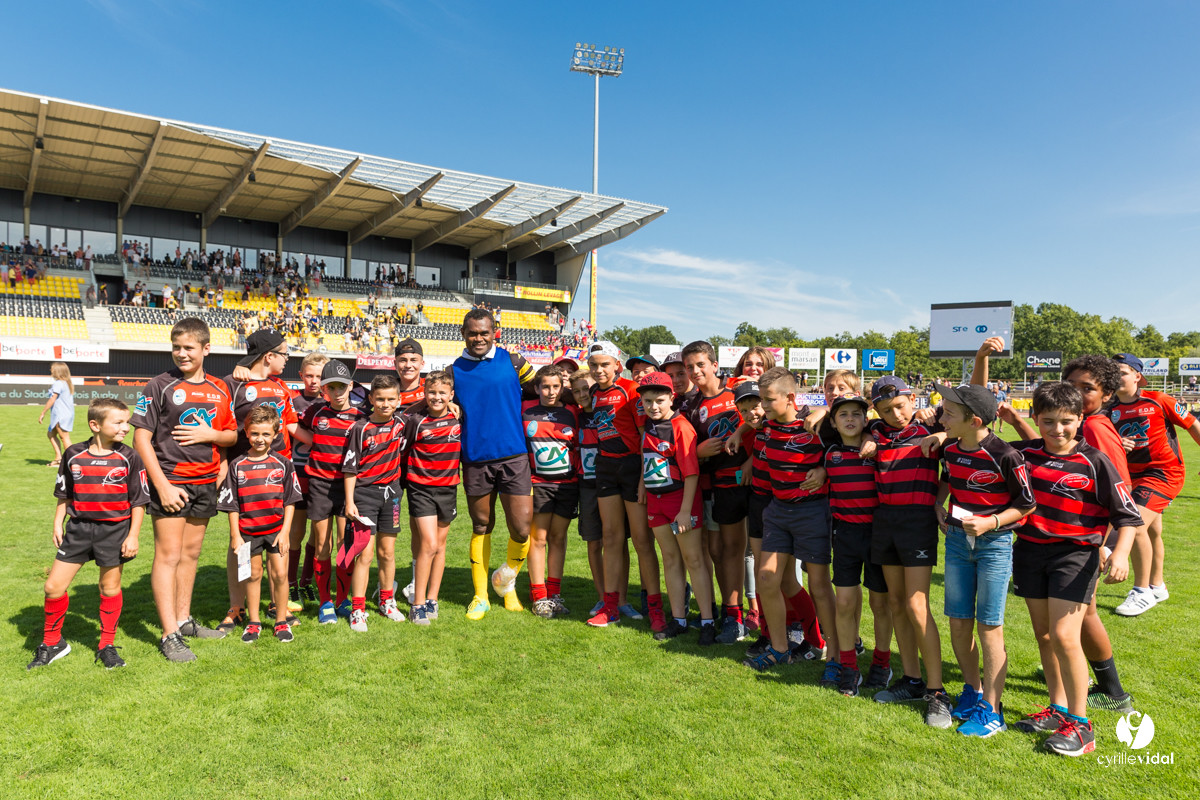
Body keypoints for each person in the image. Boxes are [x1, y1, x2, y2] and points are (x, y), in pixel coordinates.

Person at [1009, 382, 1142, 757]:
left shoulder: (1095, 462)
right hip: (1031, 552)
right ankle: (1058, 708)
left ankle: (1082, 726)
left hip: (1076, 556)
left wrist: (1119, 555)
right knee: (1044, 635)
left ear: (1080, 419)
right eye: (1048, 421)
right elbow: (980, 442)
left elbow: (1128, 517)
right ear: (1036, 419)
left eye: (1066, 421)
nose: (1057, 430)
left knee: (1066, 635)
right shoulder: (1025, 453)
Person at [132, 318, 237, 662]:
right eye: (176, 347)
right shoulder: (158, 386)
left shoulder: (221, 388)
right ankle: (168, 634)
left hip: (205, 482)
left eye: (188, 347)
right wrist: (161, 485)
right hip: (171, 482)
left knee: (191, 555)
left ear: (206, 349)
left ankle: (184, 619)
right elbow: (140, 439)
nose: (181, 353)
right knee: (169, 555)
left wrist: (211, 437)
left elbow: (231, 436)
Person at [933, 383, 1036, 737]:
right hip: (958, 544)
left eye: (947, 413)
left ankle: (993, 709)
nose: (940, 417)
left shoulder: (1006, 455)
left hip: (994, 545)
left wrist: (991, 522)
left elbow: (1027, 503)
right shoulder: (950, 448)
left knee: (989, 626)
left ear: (974, 419)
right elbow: (948, 480)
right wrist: (938, 503)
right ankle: (972, 689)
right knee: (958, 621)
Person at [29, 399, 149, 670]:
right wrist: (57, 523)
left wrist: (133, 536)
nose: (125, 428)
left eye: (126, 422)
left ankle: (107, 645)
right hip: (78, 530)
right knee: (53, 587)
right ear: (95, 425)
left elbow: (139, 501)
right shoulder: (73, 453)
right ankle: (53, 643)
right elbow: (64, 494)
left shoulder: (129, 457)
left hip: (114, 531)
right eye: (118, 422)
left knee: (109, 588)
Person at [867, 376, 950, 728]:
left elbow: (974, 412)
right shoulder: (877, 432)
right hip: (884, 520)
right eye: (886, 411)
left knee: (917, 605)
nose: (896, 415)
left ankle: (937, 691)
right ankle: (913, 680)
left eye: (900, 406)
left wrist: (938, 499)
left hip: (917, 521)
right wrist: (872, 431)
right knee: (896, 603)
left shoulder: (931, 427)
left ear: (913, 398)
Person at [743, 367, 835, 674]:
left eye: (769, 400)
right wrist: (736, 431)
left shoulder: (817, 424)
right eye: (762, 401)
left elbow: (847, 445)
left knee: (819, 585)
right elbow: (745, 421)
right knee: (767, 578)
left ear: (791, 398)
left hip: (812, 511)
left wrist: (824, 471)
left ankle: (834, 651)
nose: (763, 407)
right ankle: (780, 649)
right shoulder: (766, 428)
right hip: (777, 511)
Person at [448, 309, 537, 621]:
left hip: (514, 457)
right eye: (472, 333)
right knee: (481, 525)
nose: (479, 338)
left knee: (523, 527)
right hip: (475, 460)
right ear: (463, 333)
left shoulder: (514, 362)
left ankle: (506, 580)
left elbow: (542, 389)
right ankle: (481, 595)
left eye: (484, 332)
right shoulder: (453, 371)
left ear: (494, 331)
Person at [218, 330, 306, 631]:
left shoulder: (281, 387)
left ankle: (274, 605)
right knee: (241, 546)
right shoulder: (232, 384)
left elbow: (292, 426)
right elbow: (224, 431)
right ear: (269, 356)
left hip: (276, 479)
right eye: (285, 354)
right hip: (243, 480)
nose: (287, 360)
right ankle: (237, 606)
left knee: (275, 542)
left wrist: (333, 441)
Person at [1106, 354, 1200, 616]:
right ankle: (1157, 585)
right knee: (1152, 531)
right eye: (1112, 372)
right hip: (1129, 476)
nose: (1117, 376)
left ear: (1137, 376)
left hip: (1164, 473)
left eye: (1122, 371)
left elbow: (1193, 425)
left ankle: (1141, 591)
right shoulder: (1108, 408)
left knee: (1133, 525)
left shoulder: (1158, 399)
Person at [585, 340, 661, 629]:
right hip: (605, 467)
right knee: (611, 537)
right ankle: (612, 606)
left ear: (617, 365)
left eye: (605, 364)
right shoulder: (593, 392)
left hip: (632, 468)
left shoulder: (631, 391)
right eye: (594, 365)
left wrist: (643, 477)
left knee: (642, 541)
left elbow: (646, 435)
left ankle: (655, 610)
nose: (599, 369)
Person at [823, 393, 894, 696]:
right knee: (845, 602)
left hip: (878, 535)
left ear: (866, 420)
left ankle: (881, 662)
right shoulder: (829, 454)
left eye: (856, 414)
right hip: (846, 535)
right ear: (833, 422)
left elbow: (892, 428)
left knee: (880, 603)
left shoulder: (879, 448)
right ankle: (849, 666)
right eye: (843, 415)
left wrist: (874, 436)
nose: (850, 419)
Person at [217, 406, 303, 643]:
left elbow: (290, 501)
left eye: (266, 434)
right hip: (247, 533)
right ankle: (254, 623)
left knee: (280, 575)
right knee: (252, 575)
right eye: (255, 433)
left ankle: (280, 622)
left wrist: (285, 532)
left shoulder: (283, 464)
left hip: (276, 531)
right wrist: (235, 535)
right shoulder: (237, 465)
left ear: (276, 434)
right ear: (246, 432)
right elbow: (231, 504)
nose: (260, 439)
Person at [682, 340, 749, 643]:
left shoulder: (738, 391)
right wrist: (699, 451)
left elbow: (761, 421)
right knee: (717, 552)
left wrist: (749, 457)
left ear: (713, 364)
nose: (695, 371)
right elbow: (684, 450)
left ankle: (737, 616)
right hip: (713, 484)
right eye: (689, 367)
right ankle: (728, 611)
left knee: (737, 550)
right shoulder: (690, 406)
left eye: (700, 364)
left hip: (745, 480)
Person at [637, 371, 707, 642]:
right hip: (656, 502)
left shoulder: (681, 426)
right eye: (647, 401)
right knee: (670, 560)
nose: (653, 406)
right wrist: (643, 484)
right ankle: (678, 619)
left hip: (681, 502)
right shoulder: (648, 424)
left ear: (671, 399)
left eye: (659, 400)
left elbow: (691, 473)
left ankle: (707, 621)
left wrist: (686, 510)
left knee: (694, 560)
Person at [297, 360, 366, 624]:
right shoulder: (315, 413)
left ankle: (342, 600)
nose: (337, 393)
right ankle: (326, 602)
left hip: (348, 487)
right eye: (331, 388)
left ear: (350, 386)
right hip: (320, 486)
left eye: (341, 387)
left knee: (343, 545)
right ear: (324, 389)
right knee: (322, 545)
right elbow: (291, 424)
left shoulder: (361, 419)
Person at [342, 375, 407, 632]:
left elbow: (428, 407)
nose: (385, 403)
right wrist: (350, 501)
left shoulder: (402, 423)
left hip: (392, 495)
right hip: (364, 496)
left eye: (391, 399)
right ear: (371, 399)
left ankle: (386, 601)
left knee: (388, 553)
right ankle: (357, 609)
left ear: (398, 400)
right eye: (380, 399)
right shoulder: (360, 429)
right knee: (365, 554)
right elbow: (350, 469)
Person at [402, 371, 461, 625]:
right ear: (425, 394)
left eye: (442, 393)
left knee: (440, 545)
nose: (437, 397)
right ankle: (417, 604)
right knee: (428, 543)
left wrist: (453, 405)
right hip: (421, 488)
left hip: (448, 488)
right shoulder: (415, 420)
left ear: (451, 395)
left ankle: (431, 599)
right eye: (431, 393)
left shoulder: (459, 418)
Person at [522, 364, 580, 619]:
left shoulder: (572, 413)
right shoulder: (525, 410)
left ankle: (554, 594)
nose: (550, 391)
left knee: (558, 538)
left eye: (555, 386)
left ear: (562, 387)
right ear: (536, 388)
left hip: (567, 485)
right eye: (545, 386)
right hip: (538, 484)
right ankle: (539, 596)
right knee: (539, 539)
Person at [286, 352, 329, 608]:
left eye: (319, 376)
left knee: (318, 535)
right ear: (301, 375)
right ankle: (290, 585)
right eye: (309, 376)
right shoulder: (292, 401)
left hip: (323, 476)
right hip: (299, 473)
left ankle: (306, 581)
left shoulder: (331, 402)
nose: (314, 381)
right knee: (297, 532)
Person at [569, 368, 612, 614]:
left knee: (614, 542)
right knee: (594, 542)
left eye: (586, 389)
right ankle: (602, 596)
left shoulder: (607, 412)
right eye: (576, 391)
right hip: (586, 486)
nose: (582, 394)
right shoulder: (574, 415)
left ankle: (620, 597)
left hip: (611, 483)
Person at [39, 362, 75, 467]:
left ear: (58, 371)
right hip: (64, 414)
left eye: (52, 369)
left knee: (64, 437)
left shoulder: (59, 383)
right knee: (51, 434)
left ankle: (72, 461)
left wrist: (43, 412)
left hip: (61, 414)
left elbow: (52, 399)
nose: (51, 371)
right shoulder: (66, 383)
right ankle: (58, 458)